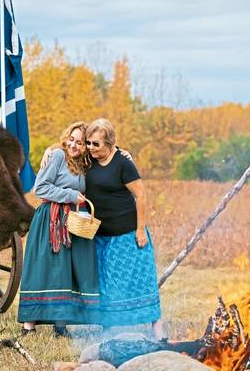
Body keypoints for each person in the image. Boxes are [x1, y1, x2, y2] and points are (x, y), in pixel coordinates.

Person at [17, 122, 100, 337]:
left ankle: (60, 325)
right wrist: (71, 196)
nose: (73, 145)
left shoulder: (83, 164)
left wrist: (123, 153)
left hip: (71, 222)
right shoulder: (57, 156)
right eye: (71, 139)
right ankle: (29, 326)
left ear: (85, 146)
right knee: (43, 269)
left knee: (64, 271)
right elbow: (41, 187)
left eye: (79, 142)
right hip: (50, 220)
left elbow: (106, 148)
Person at [84, 118, 164, 339]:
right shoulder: (88, 160)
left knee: (142, 281)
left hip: (128, 235)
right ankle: (108, 330)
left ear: (109, 143)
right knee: (107, 285)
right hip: (101, 237)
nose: (91, 148)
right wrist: (48, 153)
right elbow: (66, 146)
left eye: (96, 144)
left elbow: (140, 195)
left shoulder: (122, 162)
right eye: (89, 143)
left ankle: (157, 328)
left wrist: (140, 230)